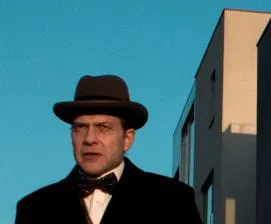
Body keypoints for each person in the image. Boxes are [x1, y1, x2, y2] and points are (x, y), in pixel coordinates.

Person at [15, 74, 204, 224]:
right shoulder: (34, 209)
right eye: (80, 127)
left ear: (127, 139)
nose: (89, 139)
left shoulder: (172, 200)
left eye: (103, 128)